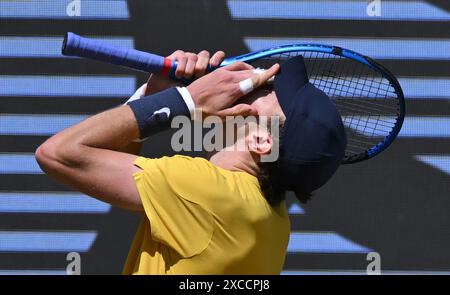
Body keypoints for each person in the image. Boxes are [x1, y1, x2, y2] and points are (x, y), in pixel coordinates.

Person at [35, 49, 347, 274]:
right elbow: (102, 168)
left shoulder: (207, 192)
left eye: (269, 91)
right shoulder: (274, 220)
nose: (260, 83)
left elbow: (60, 154)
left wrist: (187, 100)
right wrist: (157, 96)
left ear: (262, 141)